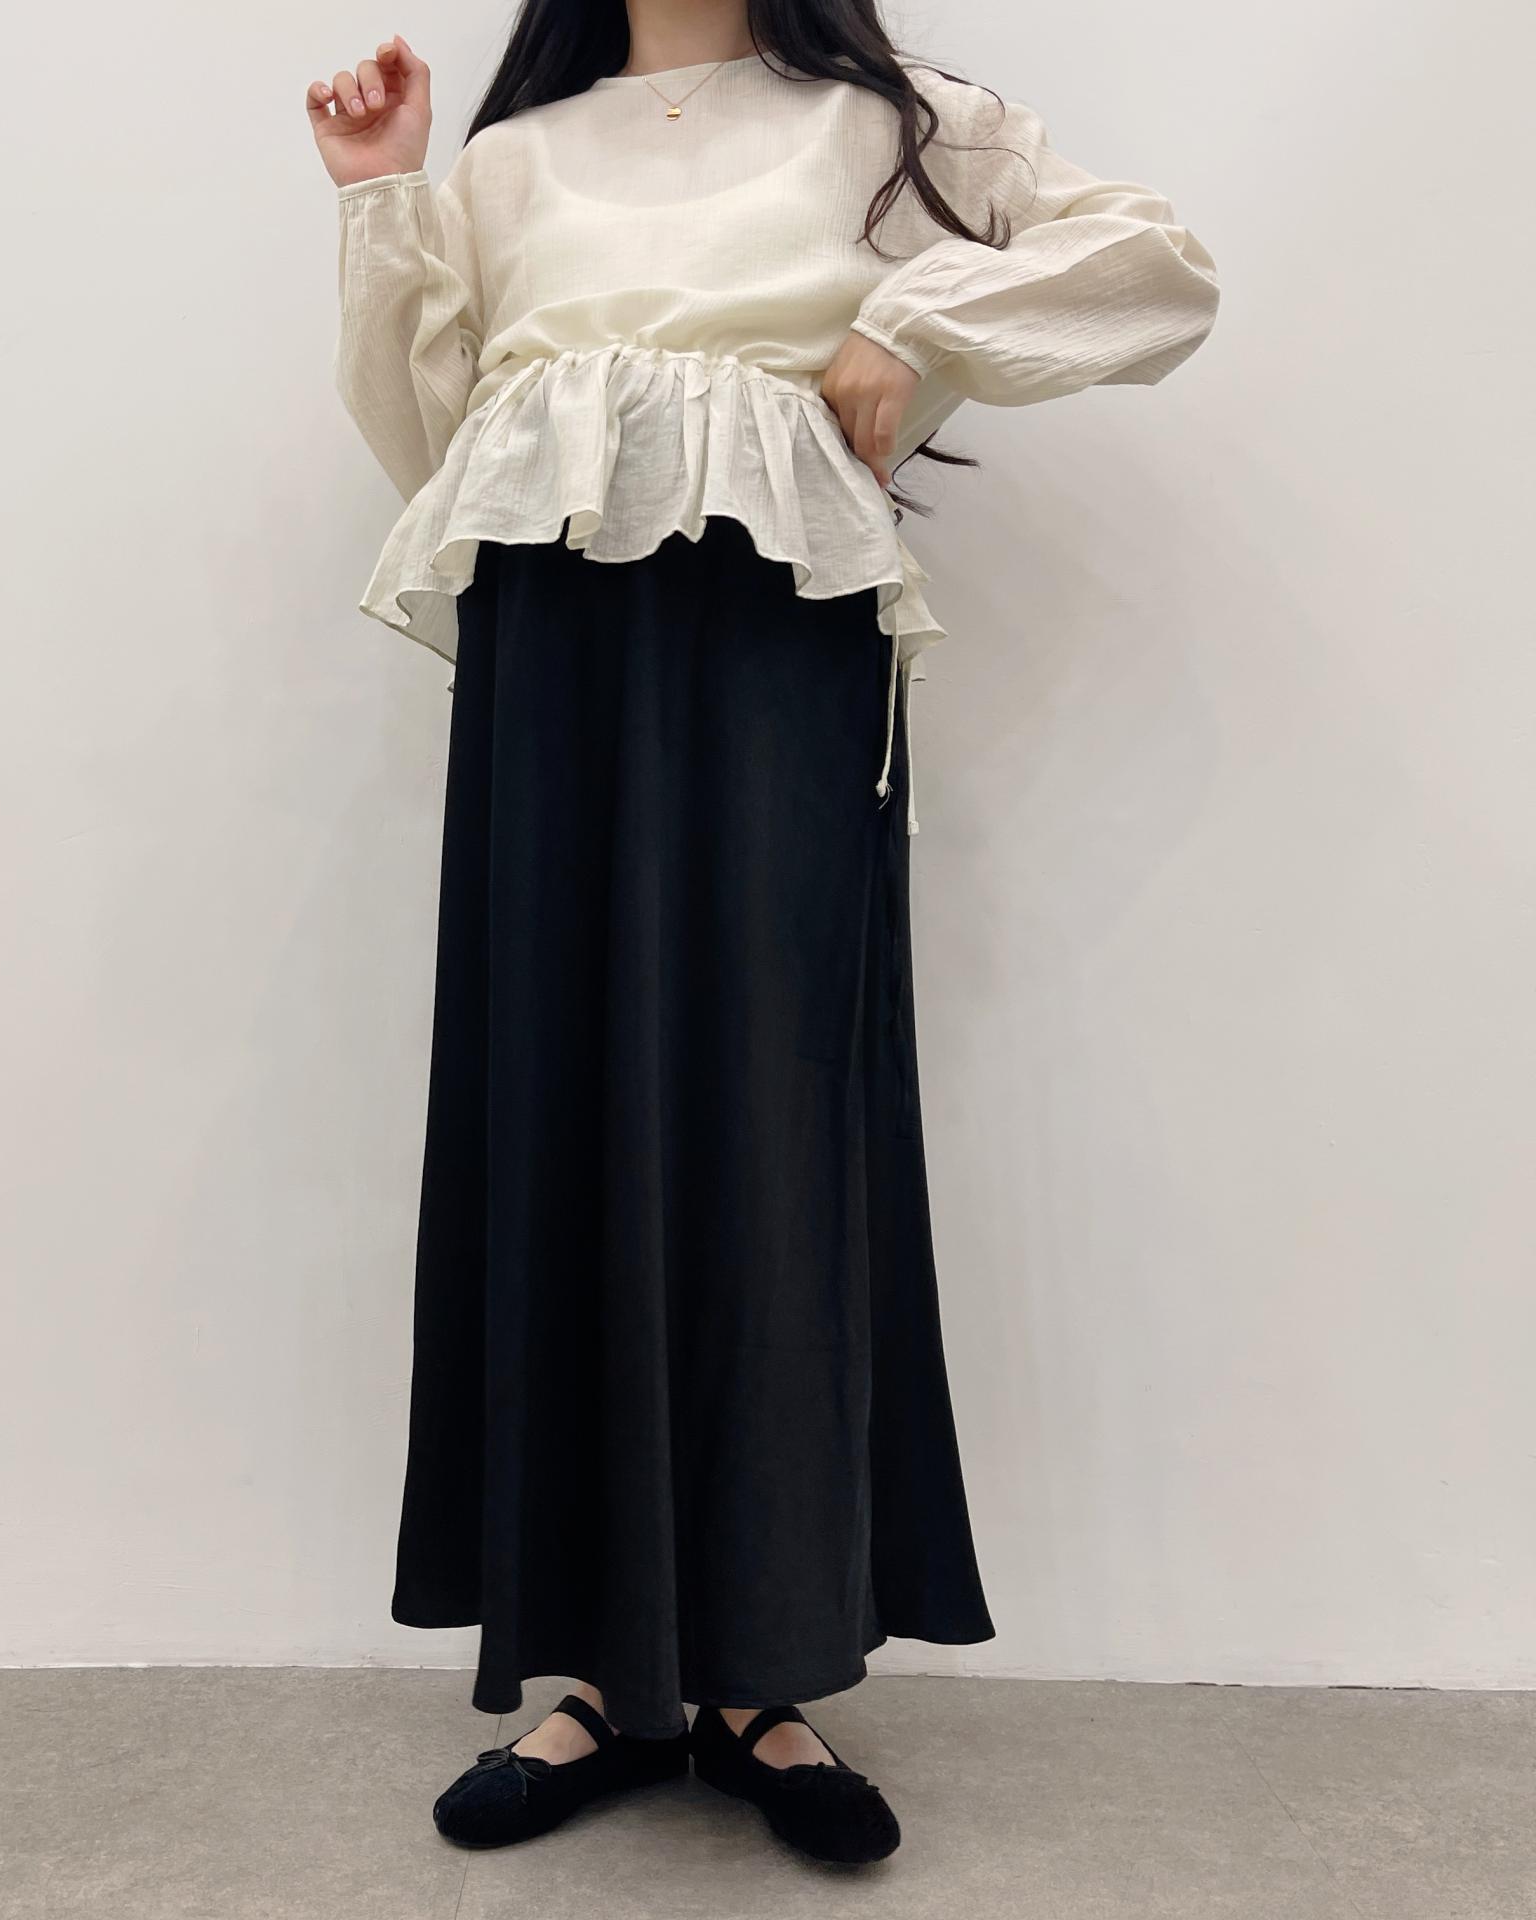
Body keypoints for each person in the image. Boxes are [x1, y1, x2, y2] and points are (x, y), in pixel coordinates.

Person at [307, 0, 1218, 1866]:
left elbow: (1154, 271)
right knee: (557, 1113)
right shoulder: (513, 160)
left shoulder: (887, 125)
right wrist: (385, 194)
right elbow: (434, 440)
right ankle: (591, 1679)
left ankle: (759, 1680)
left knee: (771, 1124)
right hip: (552, 660)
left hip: (779, 640)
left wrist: (919, 320)